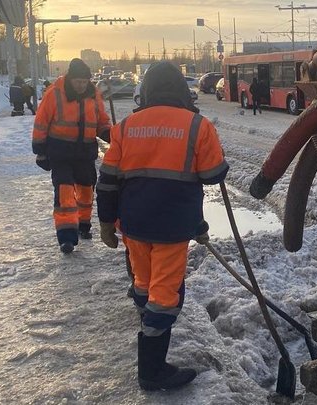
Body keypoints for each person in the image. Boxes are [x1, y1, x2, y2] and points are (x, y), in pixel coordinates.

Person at [96, 61, 229, 391]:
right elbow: (214, 174)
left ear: (147, 92)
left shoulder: (126, 127)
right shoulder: (197, 126)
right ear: (183, 92)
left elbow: (107, 181)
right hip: (172, 228)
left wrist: (105, 223)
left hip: (134, 225)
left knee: (144, 282)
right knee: (166, 296)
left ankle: (146, 319)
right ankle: (152, 370)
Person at [32, 58, 112, 254]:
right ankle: (67, 236)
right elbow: (41, 121)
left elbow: (101, 120)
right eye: (78, 81)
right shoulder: (55, 93)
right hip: (60, 152)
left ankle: (83, 224)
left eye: (84, 82)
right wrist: (40, 151)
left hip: (85, 152)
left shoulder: (93, 94)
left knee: (86, 190)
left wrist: (109, 134)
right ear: (70, 78)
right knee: (65, 191)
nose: (81, 85)